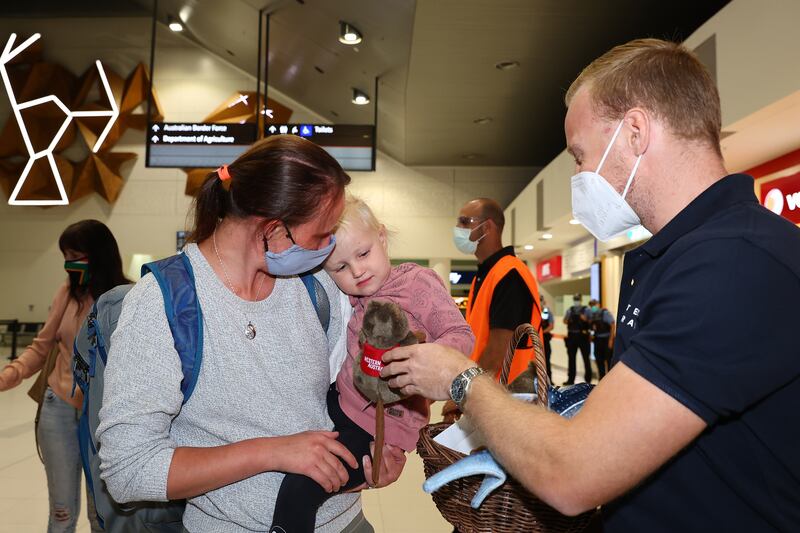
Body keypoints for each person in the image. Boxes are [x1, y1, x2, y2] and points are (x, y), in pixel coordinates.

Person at [380, 39, 800, 532]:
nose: (578, 175)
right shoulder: (677, 256)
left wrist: (460, 378)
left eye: (580, 156)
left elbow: (574, 474)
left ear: (636, 132)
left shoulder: (734, 261)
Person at [96, 136, 405, 533]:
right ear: (273, 229)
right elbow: (128, 469)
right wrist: (272, 452)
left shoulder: (317, 286)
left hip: (347, 523)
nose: (329, 248)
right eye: (322, 234)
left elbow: (349, 398)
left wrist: (372, 462)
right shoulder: (165, 303)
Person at [270, 196, 474, 532]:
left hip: (378, 426)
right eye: (341, 268)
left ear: (381, 237)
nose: (358, 271)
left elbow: (459, 333)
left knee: (302, 487)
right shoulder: (354, 295)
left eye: (363, 254)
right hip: (338, 402)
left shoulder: (416, 283)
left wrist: (422, 363)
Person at [0, 220, 127, 533]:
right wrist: (10, 373)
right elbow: (41, 346)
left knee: (102, 514)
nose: (70, 264)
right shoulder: (66, 294)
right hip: (58, 408)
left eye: (77, 255)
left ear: (99, 255)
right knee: (61, 512)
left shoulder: (125, 298)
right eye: (66, 256)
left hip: (102, 417)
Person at [454, 198, 541, 381]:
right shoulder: (487, 275)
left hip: (510, 396)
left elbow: (496, 353)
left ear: (486, 228)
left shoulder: (510, 275)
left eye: (464, 222)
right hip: (488, 394)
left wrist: (464, 390)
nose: (457, 227)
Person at [563, 293, 591, 384]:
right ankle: (570, 380)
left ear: (581, 300)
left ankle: (588, 380)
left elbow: (591, 321)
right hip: (572, 336)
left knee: (586, 358)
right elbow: (565, 321)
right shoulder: (570, 310)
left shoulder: (586, 310)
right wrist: (568, 319)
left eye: (578, 299)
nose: (576, 301)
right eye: (575, 299)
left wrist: (585, 319)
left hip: (583, 336)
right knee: (571, 359)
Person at [588, 298, 615, 379]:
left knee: (609, 361)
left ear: (598, 304)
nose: (593, 307)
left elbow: (613, 325)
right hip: (597, 340)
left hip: (606, 340)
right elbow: (592, 328)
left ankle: (611, 380)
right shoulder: (592, 316)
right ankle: (602, 379)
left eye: (594, 305)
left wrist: (611, 340)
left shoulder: (605, 313)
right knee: (599, 361)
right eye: (591, 305)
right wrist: (591, 335)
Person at [540, 295, 554, 380]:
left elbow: (551, 326)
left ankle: (548, 379)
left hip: (544, 338)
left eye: (541, 300)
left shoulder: (546, 311)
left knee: (546, 359)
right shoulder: (534, 310)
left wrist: (541, 333)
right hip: (534, 339)